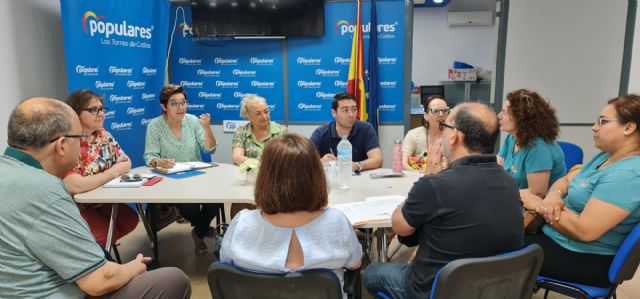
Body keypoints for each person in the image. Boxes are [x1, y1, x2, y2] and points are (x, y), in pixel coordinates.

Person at [0, 98, 190, 298]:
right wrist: (135, 267)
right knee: (173, 279)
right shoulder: (45, 190)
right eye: (79, 137)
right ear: (62, 145)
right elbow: (99, 281)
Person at [364, 103, 524, 299]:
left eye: (445, 127)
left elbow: (399, 226)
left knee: (372, 272)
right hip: (495, 289)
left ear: (455, 135)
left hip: (437, 290)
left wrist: (427, 176)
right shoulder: (510, 183)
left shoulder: (434, 185)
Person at [221, 133, 362, 296]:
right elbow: (355, 264)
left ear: (265, 177)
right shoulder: (337, 221)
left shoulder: (242, 223)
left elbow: (225, 265)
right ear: (316, 176)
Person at [520, 94, 640, 287]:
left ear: (628, 127)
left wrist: (541, 206)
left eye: (603, 122)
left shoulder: (629, 174)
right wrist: (553, 196)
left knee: (494, 245)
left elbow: (585, 232)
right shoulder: (605, 157)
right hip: (558, 239)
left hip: (584, 256)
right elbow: (567, 179)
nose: (594, 127)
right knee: (498, 233)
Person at [143, 84, 222, 255]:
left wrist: (207, 128)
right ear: (164, 107)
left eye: (183, 102)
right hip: (171, 180)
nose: (181, 107)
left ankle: (198, 232)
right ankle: (202, 229)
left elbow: (210, 149)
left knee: (215, 201)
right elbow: (149, 156)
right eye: (174, 103)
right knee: (190, 207)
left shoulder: (193, 121)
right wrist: (159, 162)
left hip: (197, 176)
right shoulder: (155, 126)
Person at [62, 89, 139, 248]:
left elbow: (126, 162)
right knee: (105, 235)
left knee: (130, 220)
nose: (101, 114)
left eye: (102, 109)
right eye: (93, 110)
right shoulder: (68, 141)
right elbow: (75, 185)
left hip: (99, 200)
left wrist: (98, 178)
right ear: (76, 113)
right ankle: (97, 258)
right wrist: (111, 173)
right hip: (73, 206)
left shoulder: (103, 134)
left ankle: (102, 252)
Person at [497, 89, 566, 197]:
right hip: (516, 199)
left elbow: (537, 193)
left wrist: (500, 194)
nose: (499, 116)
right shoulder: (511, 138)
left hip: (537, 207)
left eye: (505, 112)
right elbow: (497, 171)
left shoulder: (538, 147)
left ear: (521, 118)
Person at [230, 94, 286, 217]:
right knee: (241, 208)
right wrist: (257, 162)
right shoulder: (241, 132)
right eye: (258, 113)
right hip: (249, 181)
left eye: (266, 111)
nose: (265, 116)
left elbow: (286, 158)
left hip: (275, 181)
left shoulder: (281, 131)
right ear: (248, 116)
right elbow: (237, 157)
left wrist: (262, 162)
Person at [310, 92, 383, 172]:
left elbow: (377, 159)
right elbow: (305, 161)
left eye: (354, 109)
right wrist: (320, 162)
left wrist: (357, 165)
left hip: (361, 180)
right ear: (334, 113)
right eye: (345, 110)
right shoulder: (321, 133)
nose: (351, 114)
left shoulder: (366, 129)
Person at [401, 95, 449, 172]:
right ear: (426, 115)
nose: (441, 115)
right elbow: (403, 163)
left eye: (444, 110)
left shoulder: (454, 135)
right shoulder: (413, 134)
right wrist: (418, 174)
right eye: (436, 111)